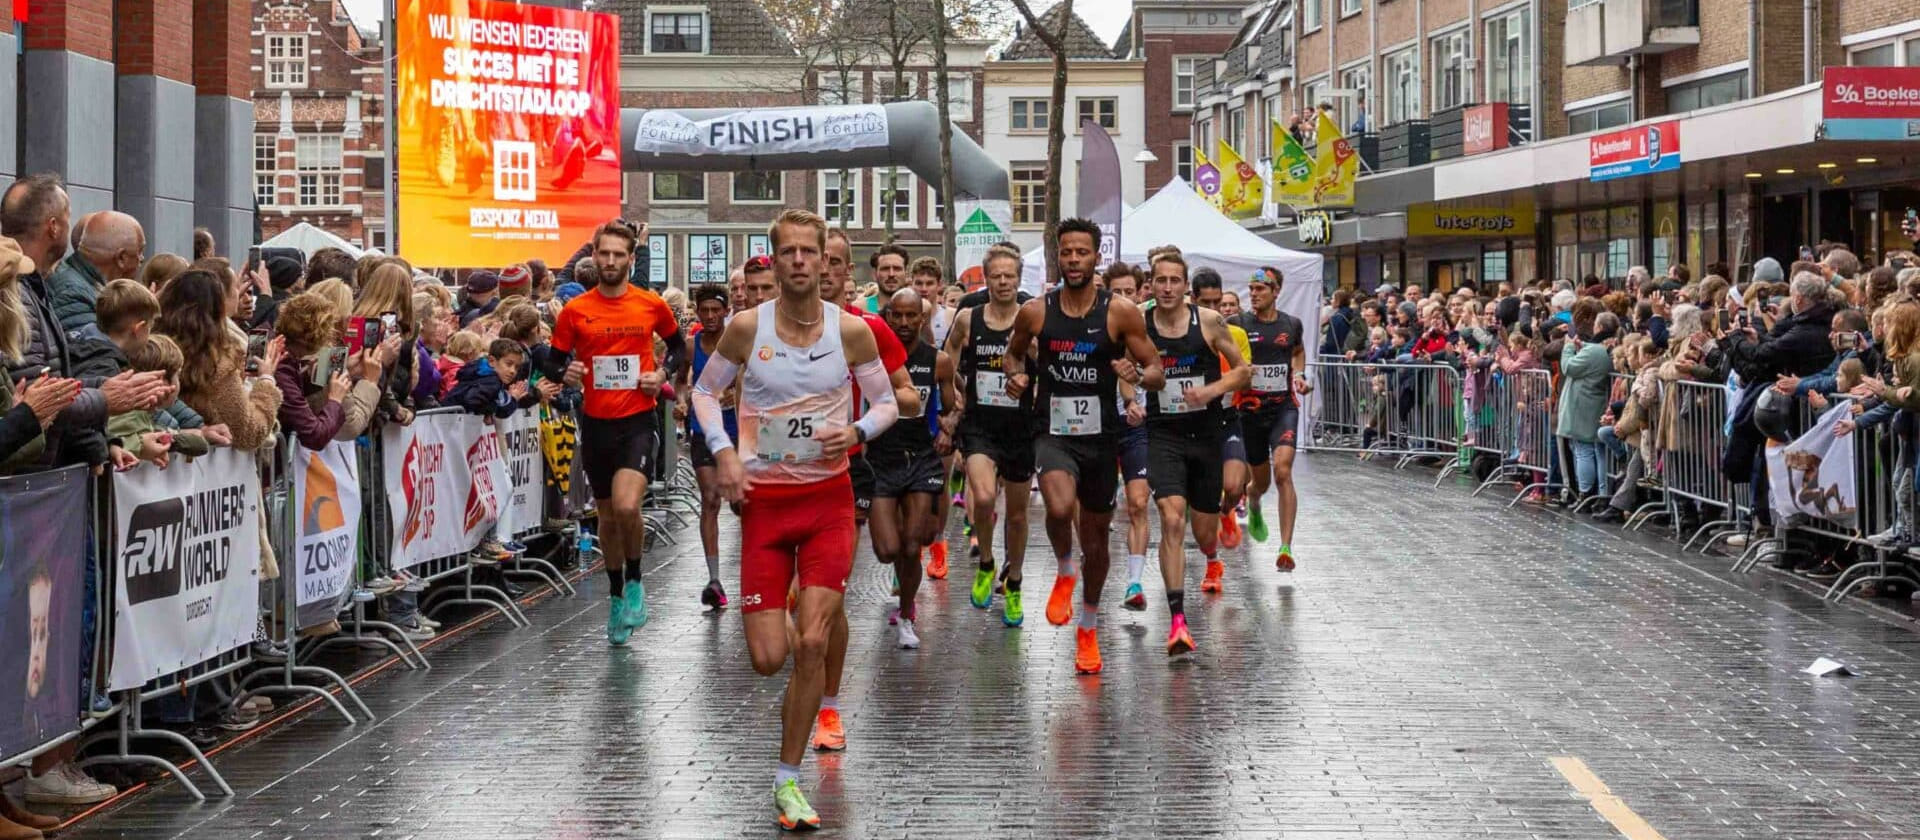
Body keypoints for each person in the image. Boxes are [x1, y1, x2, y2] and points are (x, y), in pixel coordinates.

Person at [689, 208, 901, 832]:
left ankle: (789, 781)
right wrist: (725, 452)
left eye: (812, 251)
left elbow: (888, 402)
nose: (801, 261)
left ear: (825, 259)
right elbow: (703, 394)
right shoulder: (746, 329)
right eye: (790, 253)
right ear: (775, 259)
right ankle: (788, 606)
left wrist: (856, 431)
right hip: (765, 507)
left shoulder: (853, 332)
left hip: (827, 503)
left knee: (811, 642)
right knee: (766, 657)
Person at [1003, 217, 1164, 675]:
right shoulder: (1036, 311)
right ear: (1058, 255)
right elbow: (1014, 352)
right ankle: (1063, 567)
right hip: (1051, 430)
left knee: (1097, 542)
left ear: (1097, 257)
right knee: (1057, 507)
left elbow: (1156, 369)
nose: (1074, 260)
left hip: (1100, 438)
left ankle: (1089, 626)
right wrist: (1016, 374)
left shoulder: (1120, 313)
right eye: (1067, 252)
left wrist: (1138, 376)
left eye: (1082, 252)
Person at [547, 219, 684, 646]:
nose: (610, 261)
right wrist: (565, 372)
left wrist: (662, 372)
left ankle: (638, 580)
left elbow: (680, 347)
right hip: (597, 424)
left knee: (627, 506)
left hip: (637, 422)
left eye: (618, 254)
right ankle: (615, 593)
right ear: (594, 256)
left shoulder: (649, 304)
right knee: (606, 515)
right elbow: (552, 362)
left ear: (630, 258)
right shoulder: (575, 310)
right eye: (603, 254)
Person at [1141, 252, 1249, 656]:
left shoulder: (1208, 321)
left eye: (1174, 280)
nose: (1167, 287)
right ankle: (1177, 620)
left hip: (1206, 434)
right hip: (1162, 434)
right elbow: (1117, 361)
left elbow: (1242, 371)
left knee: (1204, 531)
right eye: (1160, 280)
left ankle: (1212, 552)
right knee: (1171, 518)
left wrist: (1209, 391)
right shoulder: (1138, 320)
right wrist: (1128, 387)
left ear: (1185, 286)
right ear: (1151, 284)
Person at [939, 245, 1035, 625]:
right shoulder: (968, 318)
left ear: (1018, 278)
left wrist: (1028, 381)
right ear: (986, 277)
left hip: (1020, 428)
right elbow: (946, 362)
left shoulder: (1031, 320)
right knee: (981, 496)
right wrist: (957, 398)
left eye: (1010, 275)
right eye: (996, 275)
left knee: (1017, 515)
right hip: (980, 425)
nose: (1003, 281)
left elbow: (1045, 369)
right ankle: (986, 563)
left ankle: (1013, 582)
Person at [864, 288, 947, 648]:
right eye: (896, 315)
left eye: (910, 316)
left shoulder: (937, 360)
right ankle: (904, 579)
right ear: (886, 317)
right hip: (881, 457)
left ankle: (908, 611)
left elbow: (953, 405)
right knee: (887, 549)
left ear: (922, 319)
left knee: (912, 545)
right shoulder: (872, 359)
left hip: (920, 456)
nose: (903, 322)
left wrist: (950, 427)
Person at [1232, 266, 1311, 569]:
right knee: (1259, 483)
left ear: (1276, 291)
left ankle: (1286, 547)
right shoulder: (1237, 323)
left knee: (1283, 471)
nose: (1254, 294)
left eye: (1261, 289)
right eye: (1251, 288)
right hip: (1250, 412)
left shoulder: (1291, 324)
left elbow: (1298, 351)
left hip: (1282, 408)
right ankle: (1252, 502)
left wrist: (1300, 374)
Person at [1189, 267, 1254, 559]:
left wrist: (1215, 389)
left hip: (1227, 418)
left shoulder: (1235, 333)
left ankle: (1227, 511)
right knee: (1196, 501)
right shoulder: (1182, 330)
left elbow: (1246, 374)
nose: (1215, 310)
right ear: (1193, 299)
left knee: (1233, 486)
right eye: (1207, 303)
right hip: (1193, 424)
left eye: (1218, 302)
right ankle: (1211, 561)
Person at [681, 282, 735, 609]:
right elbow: (676, 378)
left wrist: (737, 393)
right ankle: (713, 578)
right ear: (697, 312)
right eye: (705, 311)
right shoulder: (692, 346)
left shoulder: (737, 340)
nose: (711, 316)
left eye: (717, 310)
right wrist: (680, 399)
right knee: (710, 498)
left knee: (744, 503)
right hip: (702, 427)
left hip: (736, 427)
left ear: (726, 311)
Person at [46, 210, 143, 334]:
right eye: (139, 251)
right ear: (121, 258)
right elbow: (92, 350)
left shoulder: (82, 283)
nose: (142, 258)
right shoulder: (74, 295)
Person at [868, 243, 910, 310]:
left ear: (906, 273)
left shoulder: (921, 307)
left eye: (897, 269)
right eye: (885, 269)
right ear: (874, 274)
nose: (891, 274)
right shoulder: (860, 309)